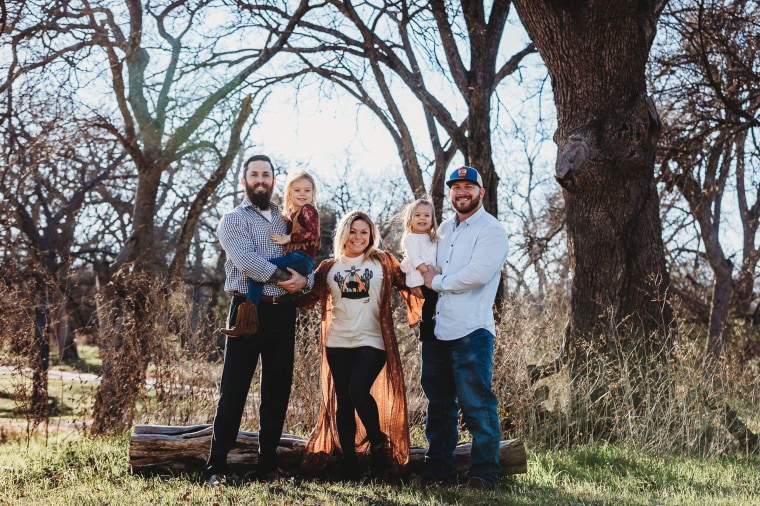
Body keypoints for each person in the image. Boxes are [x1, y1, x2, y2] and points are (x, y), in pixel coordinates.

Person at [205, 154, 312, 486]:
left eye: (266, 174)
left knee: (277, 391)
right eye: (254, 174)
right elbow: (246, 261)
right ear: (244, 181)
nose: (261, 179)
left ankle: (268, 466)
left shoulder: (286, 221)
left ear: (274, 181)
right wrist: (285, 275)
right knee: (234, 390)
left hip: (282, 312)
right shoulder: (233, 220)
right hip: (247, 310)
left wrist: (304, 282)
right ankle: (216, 465)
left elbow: (306, 257)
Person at [301, 210, 422, 481]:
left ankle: (378, 443)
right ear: (344, 233)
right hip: (337, 341)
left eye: (364, 232)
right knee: (343, 401)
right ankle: (350, 463)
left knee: (358, 389)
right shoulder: (329, 267)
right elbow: (307, 297)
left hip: (373, 340)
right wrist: (288, 280)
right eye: (353, 231)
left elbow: (409, 284)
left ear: (371, 235)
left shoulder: (383, 261)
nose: (358, 237)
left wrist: (425, 270)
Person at [421, 166, 509, 489]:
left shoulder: (492, 230)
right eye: (456, 187)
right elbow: (427, 268)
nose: (461, 192)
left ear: (481, 192)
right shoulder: (443, 230)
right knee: (439, 405)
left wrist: (437, 281)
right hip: (437, 331)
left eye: (468, 186)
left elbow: (477, 274)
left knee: (477, 405)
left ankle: (485, 475)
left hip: (472, 332)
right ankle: (437, 471)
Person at [221, 170, 320, 337]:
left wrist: (289, 238)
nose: (303, 194)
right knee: (260, 271)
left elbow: (313, 234)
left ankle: (246, 319)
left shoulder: (308, 210)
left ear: (313, 193)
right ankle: (246, 319)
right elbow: (248, 262)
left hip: (300, 260)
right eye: (297, 190)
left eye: (307, 190)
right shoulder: (286, 216)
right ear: (289, 192)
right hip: (297, 260)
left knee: (260, 271)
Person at [399, 198, 440, 342]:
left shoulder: (434, 238)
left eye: (426, 215)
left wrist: (437, 271)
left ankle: (435, 325)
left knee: (437, 299)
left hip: (432, 275)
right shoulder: (410, 238)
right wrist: (426, 271)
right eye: (417, 215)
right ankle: (426, 328)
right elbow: (415, 258)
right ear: (410, 219)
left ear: (432, 219)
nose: (422, 218)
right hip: (419, 277)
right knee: (432, 298)